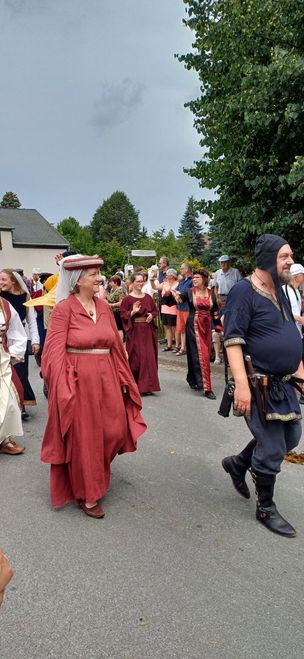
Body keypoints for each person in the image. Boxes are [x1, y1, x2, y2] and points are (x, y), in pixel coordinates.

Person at [41, 255, 147, 519]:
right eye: (93, 274)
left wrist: (125, 379)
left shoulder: (102, 307)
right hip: (78, 382)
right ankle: (88, 493)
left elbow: (116, 347)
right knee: (85, 437)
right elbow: (53, 352)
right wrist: (62, 386)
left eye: (99, 274)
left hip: (107, 378)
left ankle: (94, 474)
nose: (100, 278)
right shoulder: (64, 309)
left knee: (113, 430)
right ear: (78, 281)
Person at [222, 234, 304, 537]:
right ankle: (265, 507)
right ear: (268, 257)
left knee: (291, 437)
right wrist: (241, 386)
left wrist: (299, 372)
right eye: (284, 256)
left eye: (290, 256)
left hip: (284, 384)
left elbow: (287, 335)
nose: (290, 262)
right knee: (271, 447)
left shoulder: (281, 290)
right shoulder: (244, 291)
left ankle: (239, 462)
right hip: (258, 385)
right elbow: (233, 341)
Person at [0, 269, 40, 419]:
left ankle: (20, 406)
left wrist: (35, 341)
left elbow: (32, 322)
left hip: (19, 338)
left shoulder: (25, 297)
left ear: (13, 281)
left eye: (3, 279)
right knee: (6, 375)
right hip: (3, 339)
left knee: (21, 373)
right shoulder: (0, 298)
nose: (0, 283)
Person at [172, 269, 217, 400]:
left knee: (198, 354)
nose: (194, 279)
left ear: (204, 279)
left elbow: (215, 312)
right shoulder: (190, 292)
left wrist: (218, 327)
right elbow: (179, 301)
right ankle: (207, 387)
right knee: (201, 355)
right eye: (193, 277)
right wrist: (175, 296)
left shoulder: (211, 293)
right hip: (193, 326)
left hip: (206, 328)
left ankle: (192, 378)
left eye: (197, 277)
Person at [120, 272, 160, 395]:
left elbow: (154, 310)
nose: (140, 283)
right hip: (135, 331)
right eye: (137, 281)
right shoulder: (128, 299)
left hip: (147, 331)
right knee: (136, 357)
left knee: (148, 357)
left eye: (142, 281)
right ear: (132, 282)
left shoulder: (148, 297)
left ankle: (147, 386)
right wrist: (132, 312)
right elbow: (123, 315)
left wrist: (151, 316)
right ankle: (135, 384)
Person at [0, 297, 27, 455]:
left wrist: (13, 352)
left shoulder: (4, 304)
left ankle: (5, 438)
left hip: (1, 359)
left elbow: (18, 332)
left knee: (10, 397)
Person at [175, 262, 193, 356]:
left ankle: (189, 348)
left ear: (187, 269)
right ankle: (183, 347)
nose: (180, 270)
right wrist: (177, 296)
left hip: (187, 307)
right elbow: (175, 290)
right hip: (180, 307)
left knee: (188, 328)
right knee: (181, 329)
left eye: (182, 268)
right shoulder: (182, 281)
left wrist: (180, 296)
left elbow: (189, 293)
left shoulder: (192, 281)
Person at [160, 268, 179, 351]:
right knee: (167, 327)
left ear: (172, 276)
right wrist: (152, 279)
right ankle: (169, 345)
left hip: (173, 308)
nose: (166, 276)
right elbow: (156, 287)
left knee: (174, 327)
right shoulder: (165, 283)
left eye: (168, 274)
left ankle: (177, 345)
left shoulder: (178, 284)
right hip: (164, 308)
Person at [105, 275, 126, 341]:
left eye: (111, 282)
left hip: (118, 312)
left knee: (119, 328)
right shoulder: (112, 290)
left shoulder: (120, 290)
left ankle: (121, 343)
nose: (110, 283)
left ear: (116, 283)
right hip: (113, 312)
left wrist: (112, 305)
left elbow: (122, 302)